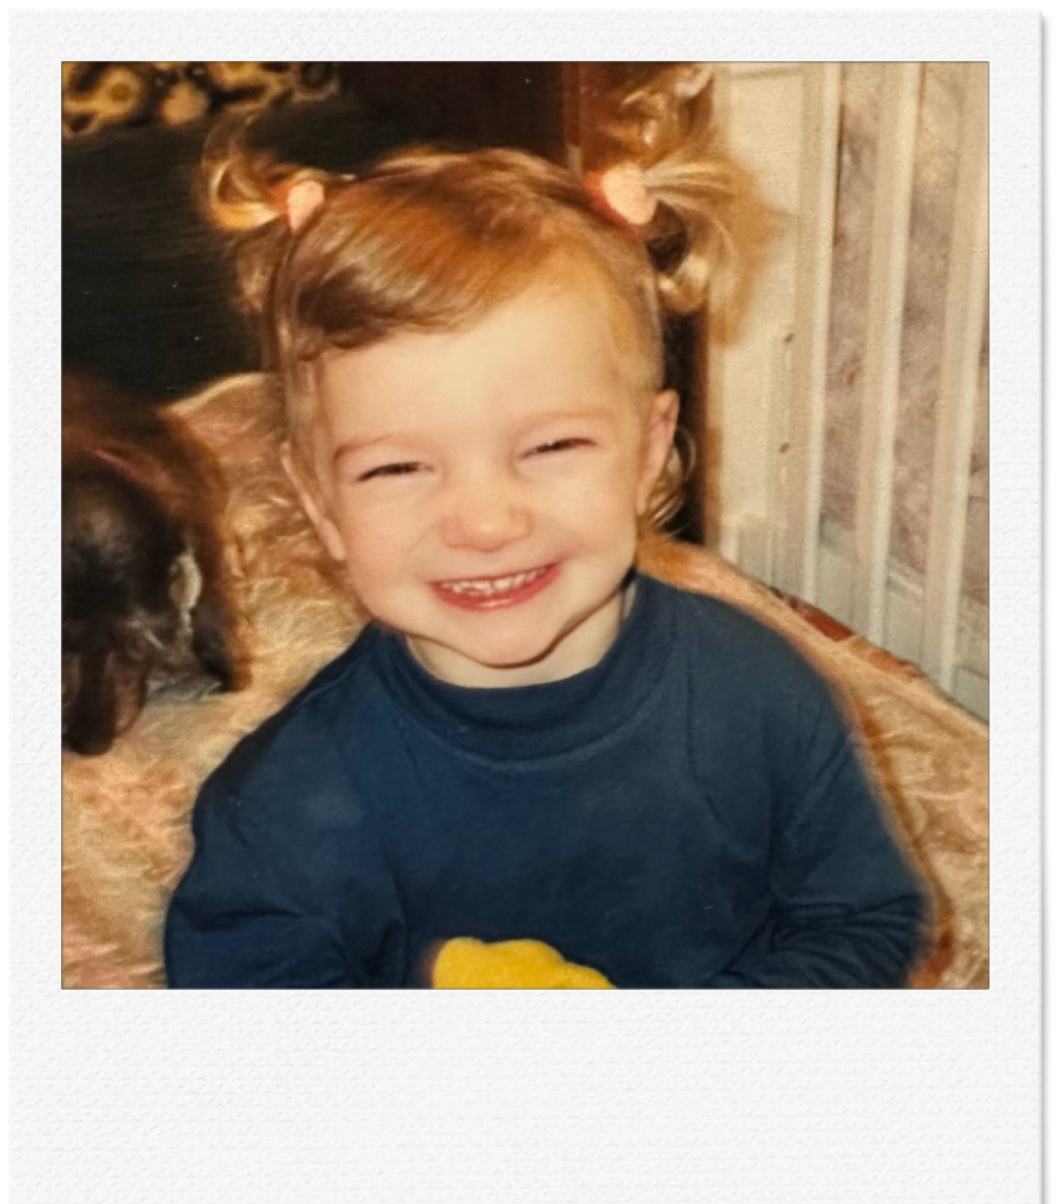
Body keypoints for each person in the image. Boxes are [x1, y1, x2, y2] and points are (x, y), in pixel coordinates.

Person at [164, 65, 933, 988]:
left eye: (550, 446)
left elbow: (863, 919)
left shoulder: (764, 693)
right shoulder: (279, 810)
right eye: (399, 467)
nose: (485, 521)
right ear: (320, 502)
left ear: (649, 449)